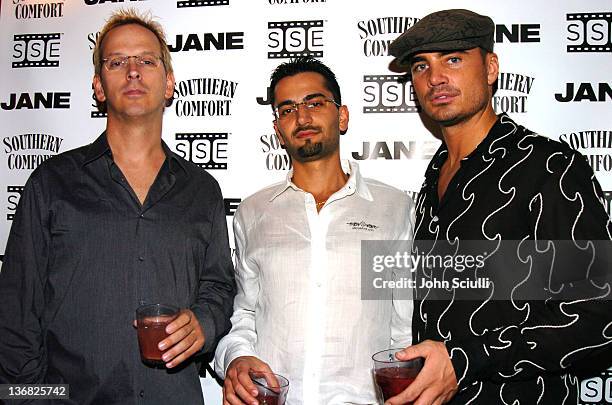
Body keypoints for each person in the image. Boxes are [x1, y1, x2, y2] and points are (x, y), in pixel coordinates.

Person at [0, 9, 235, 404]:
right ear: (98, 86)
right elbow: (15, 317)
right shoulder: (51, 183)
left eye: (146, 60)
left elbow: (218, 286)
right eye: (117, 61)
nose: (132, 71)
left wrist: (205, 322)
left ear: (169, 84)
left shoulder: (202, 190)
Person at [385, 8, 612, 405]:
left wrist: (469, 358)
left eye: (453, 59)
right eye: (421, 66)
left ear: (490, 68)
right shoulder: (434, 173)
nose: (435, 77)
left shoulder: (548, 167)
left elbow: (600, 316)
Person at [214, 57, 414, 404]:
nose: (302, 118)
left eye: (315, 103)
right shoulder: (252, 211)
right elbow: (244, 312)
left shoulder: (393, 209)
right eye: (287, 109)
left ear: (342, 116)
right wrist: (236, 357)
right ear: (278, 130)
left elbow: (404, 324)